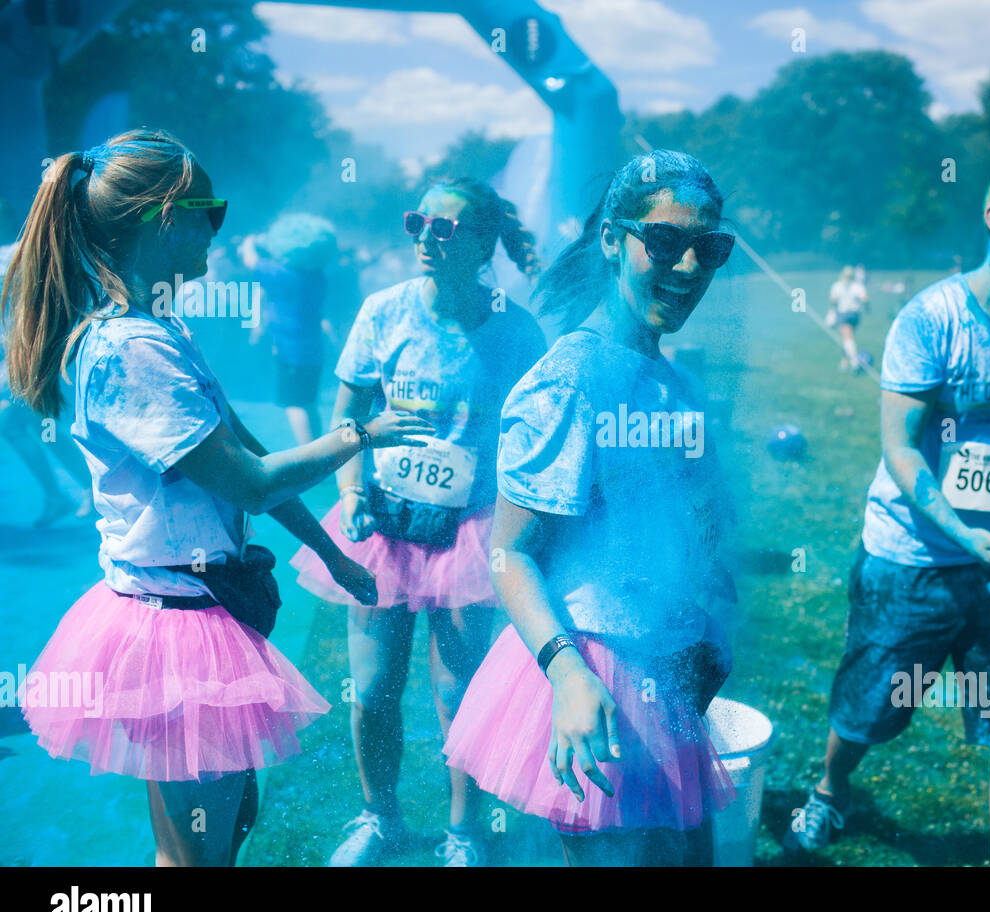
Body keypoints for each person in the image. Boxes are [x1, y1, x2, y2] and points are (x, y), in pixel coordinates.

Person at [3, 130, 434, 867]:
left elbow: (253, 461)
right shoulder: (132, 349)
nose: (219, 227)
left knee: (208, 844)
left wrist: (331, 552)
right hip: (175, 624)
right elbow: (251, 483)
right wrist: (362, 433)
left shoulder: (159, 329)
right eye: (213, 210)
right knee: (197, 858)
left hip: (191, 610)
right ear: (170, 218)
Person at [786, 162, 990, 865]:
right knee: (870, 709)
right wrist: (961, 531)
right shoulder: (930, 319)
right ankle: (831, 789)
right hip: (910, 557)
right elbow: (900, 447)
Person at [443, 150, 739, 866]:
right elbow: (510, 552)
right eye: (663, 241)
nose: (689, 265)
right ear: (612, 239)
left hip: (666, 662)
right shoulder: (570, 380)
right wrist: (568, 674)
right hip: (598, 668)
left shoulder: (671, 377)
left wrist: (707, 608)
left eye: (708, 248)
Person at [291, 178, 545, 867]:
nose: (427, 238)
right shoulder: (383, 312)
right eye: (419, 223)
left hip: (469, 532)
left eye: (447, 228)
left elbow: (534, 438)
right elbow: (346, 417)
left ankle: (464, 832)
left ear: (484, 244)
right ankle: (381, 819)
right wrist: (349, 490)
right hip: (383, 526)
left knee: (456, 692)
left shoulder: (517, 331)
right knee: (373, 690)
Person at [0, 242, 93, 525]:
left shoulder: (22, 248)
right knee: (38, 426)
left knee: (20, 423)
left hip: (32, 355)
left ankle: (77, 489)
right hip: (15, 356)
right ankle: (79, 488)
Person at [242, 215, 339, 444]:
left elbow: (250, 261)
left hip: (290, 352)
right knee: (309, 403)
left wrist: (249, 241)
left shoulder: (282, 275)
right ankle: (319, 446)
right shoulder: (317, 277)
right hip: (313, 351)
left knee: (294, 404)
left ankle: (310, 452)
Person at [828, 265, 869, 372]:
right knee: (847, 338)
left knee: (848, 339)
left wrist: (831, 314)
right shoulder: (858, 286)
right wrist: (866, 307)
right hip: (855, 315)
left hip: (844, 314)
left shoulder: (837, 286)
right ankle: (844, 362)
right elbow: (864, 299)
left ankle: (855, 363)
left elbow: (832, 300)